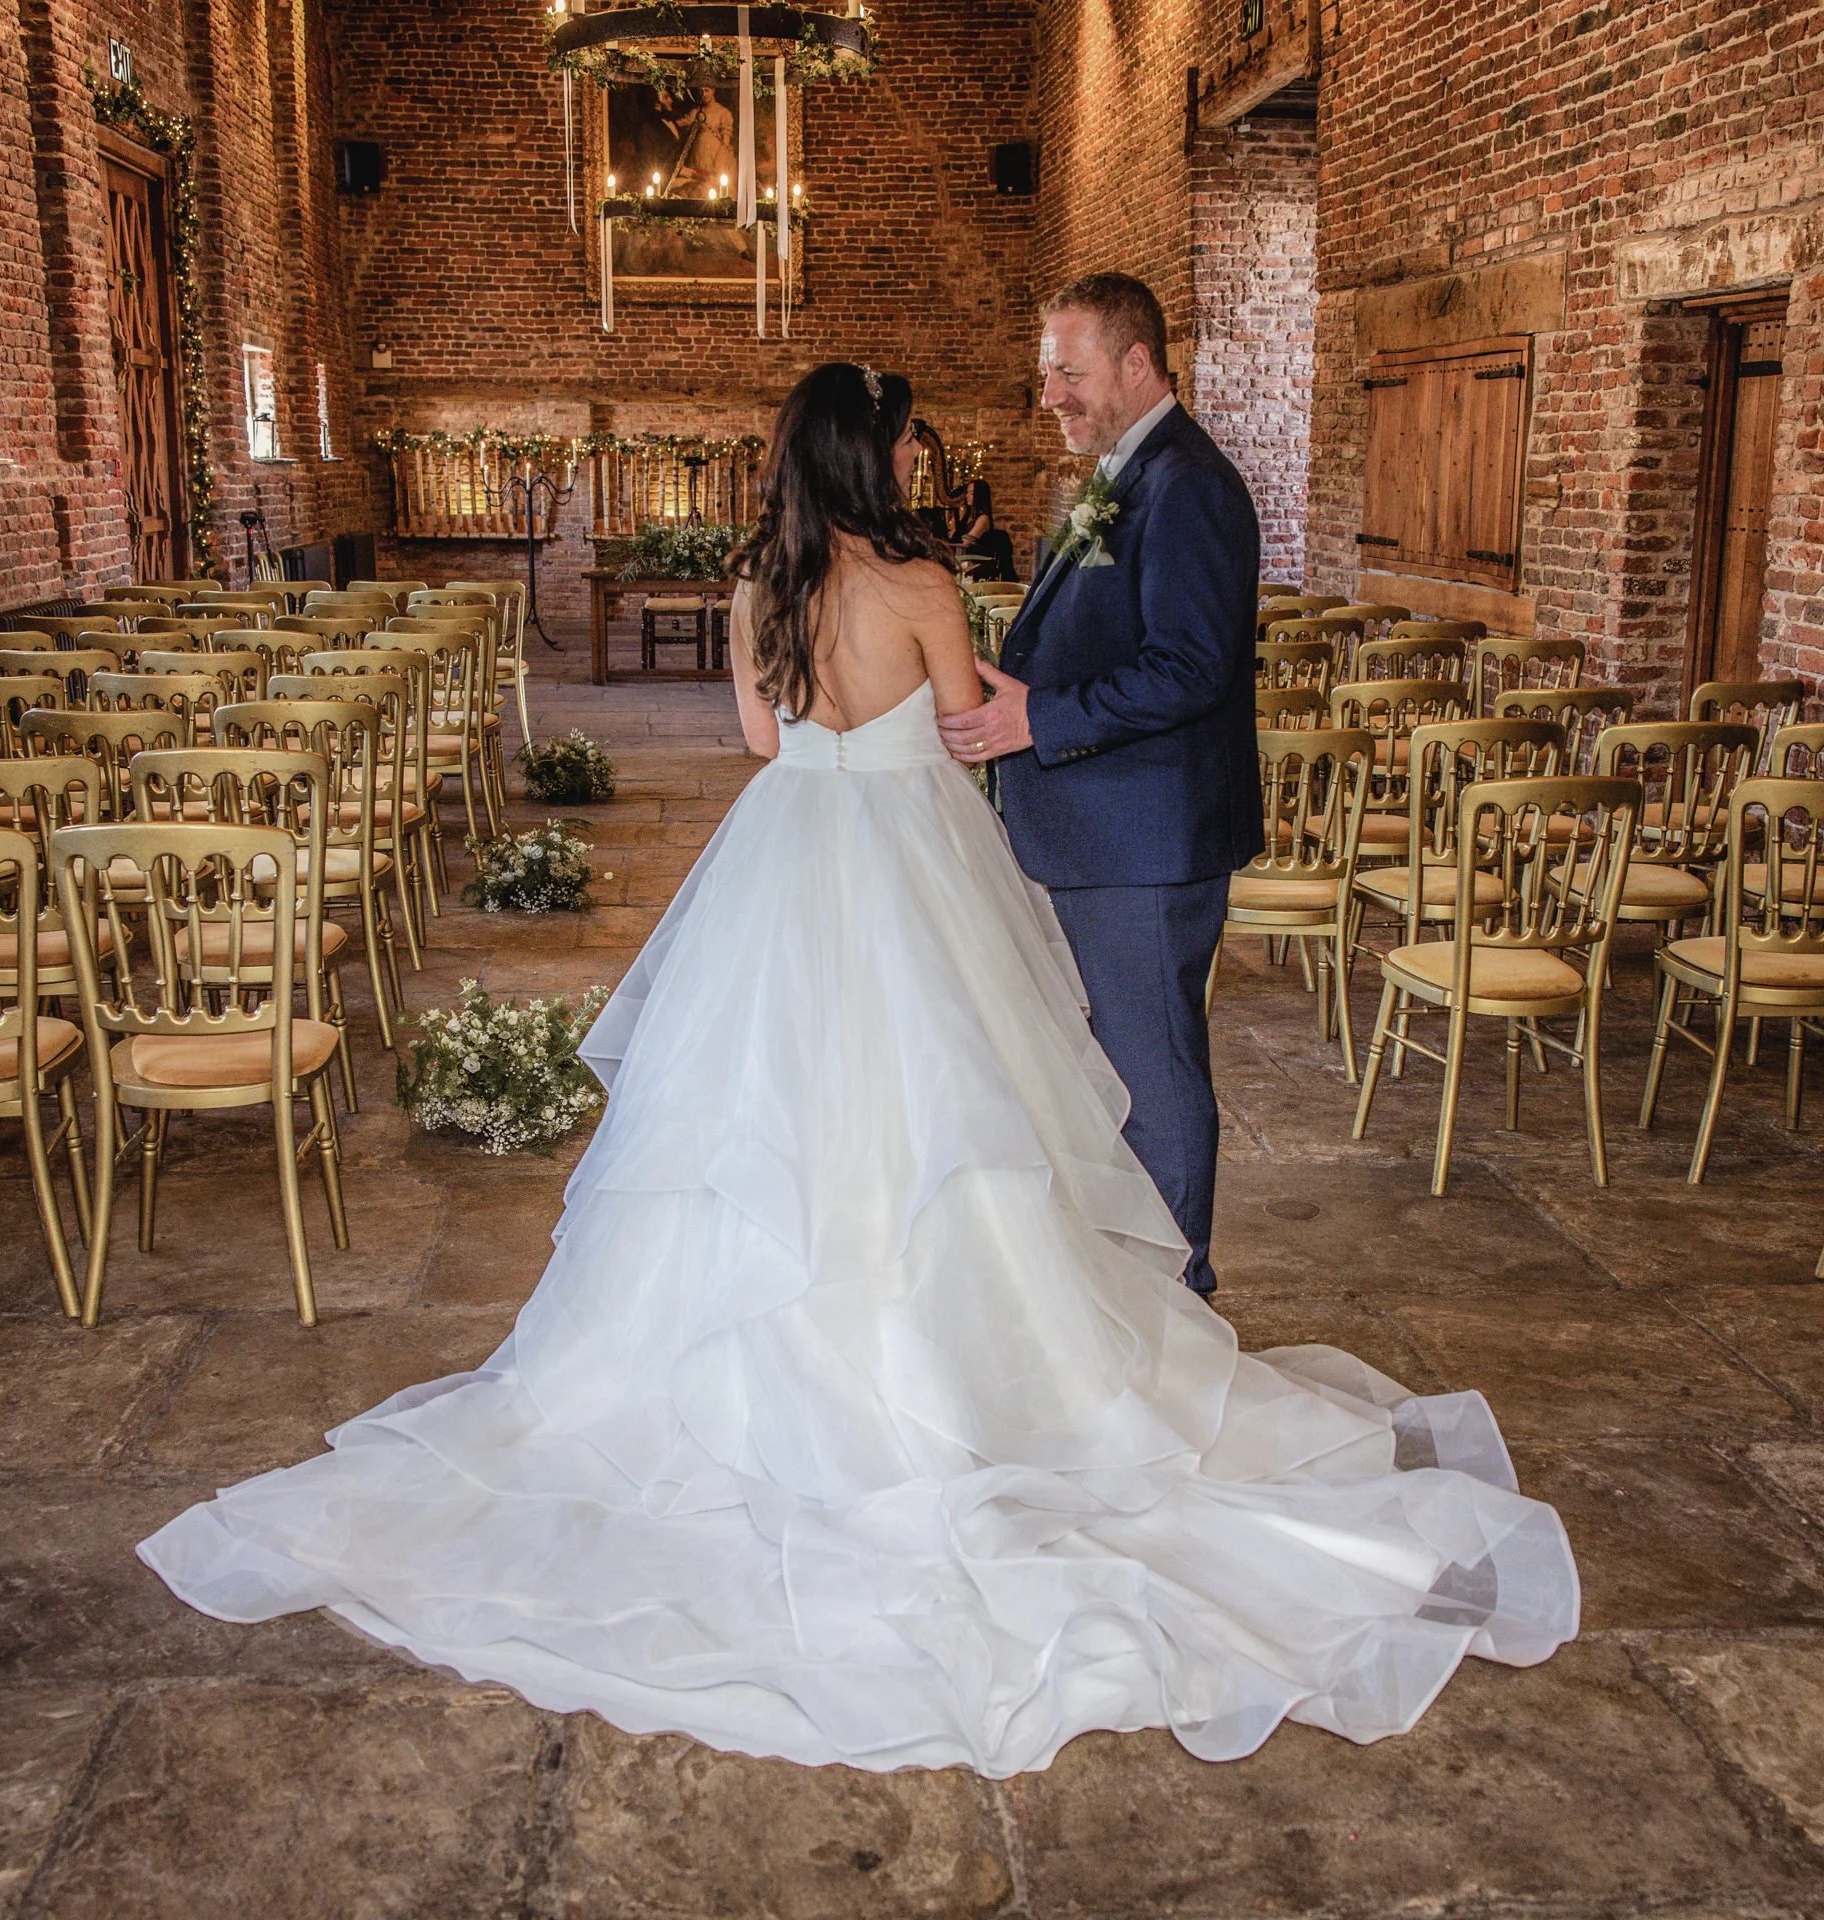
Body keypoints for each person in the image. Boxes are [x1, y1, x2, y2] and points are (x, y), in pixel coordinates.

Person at [139, 360, 1578, 1778]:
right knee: (954, 1116)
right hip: (910, 858)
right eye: (899, 450)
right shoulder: (921, 581)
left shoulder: (761, 587)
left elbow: (760, 738)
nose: (910, 467)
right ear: (869, 459)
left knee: (759, 1116)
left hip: (782, 858)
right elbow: (962, 727)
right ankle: (969, 1365)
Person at [942, 272, 1251, 1300]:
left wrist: (1041, 717)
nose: (1051, 397)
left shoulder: (1187, 483)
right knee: (1115, 1063)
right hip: (1102, 828)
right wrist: (1028, 686)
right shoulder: (1129, 471)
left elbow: (1193, 666)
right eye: (1046, 374)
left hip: (1144, 840)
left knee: (1153, 1069)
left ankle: (1177, 1298)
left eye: (1068, 373)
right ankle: (1127, 1278)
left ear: (1136, 362)